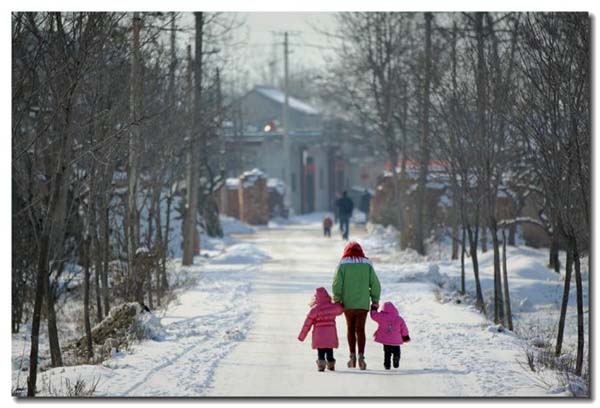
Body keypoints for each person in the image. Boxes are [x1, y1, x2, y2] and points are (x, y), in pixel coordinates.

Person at [332, 241, 381, 370]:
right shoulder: (367, 264)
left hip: (348, 303)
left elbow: (337, 284)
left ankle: (352, 356)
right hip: (363, 304)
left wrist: (337, 299)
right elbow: (375, 284)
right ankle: (361, 356)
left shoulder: (343, 264)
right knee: (360, 330)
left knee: (350, 329)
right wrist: (375, 300)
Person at [298, 287, 344, 371]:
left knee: (321, 351)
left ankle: (321, 365)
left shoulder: (315, 309)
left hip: (319, 336)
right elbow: (340, 310)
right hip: (330, 334)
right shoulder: (333, 307)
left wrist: (302, 336)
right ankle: (331, 364)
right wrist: (339, 302)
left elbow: (307, 324)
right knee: (330, 350)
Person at [370, 301, 411, 370]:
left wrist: (374, 308)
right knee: (397, 351)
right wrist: (405, 336)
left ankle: (387, 364)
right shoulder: (399, 318)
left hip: (386, 340)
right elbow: (404, 329)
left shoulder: (381, 316)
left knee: (387, 353)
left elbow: (373, 315)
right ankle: (396, 358)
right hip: (396, 340)